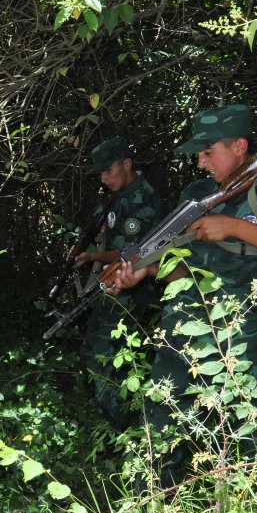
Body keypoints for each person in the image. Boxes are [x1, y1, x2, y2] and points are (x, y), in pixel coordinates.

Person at [111, 105, 257, 490]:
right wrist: (143, 272)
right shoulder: (196, 195)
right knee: (158, 433)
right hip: (183, 327)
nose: (200, 162)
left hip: (244, 333)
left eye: (208, 152)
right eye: (198, 153)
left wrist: (234, 226)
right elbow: (180, 270)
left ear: (240, 145)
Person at [75, 137, 166, 428]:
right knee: (90, 356)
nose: (103, 178)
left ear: (127, 164)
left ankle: (124, 434)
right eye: (99, 173)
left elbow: (130, 252)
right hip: (109, 290)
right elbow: (109, 230)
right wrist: (97, 237)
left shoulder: (144, 199)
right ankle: (107, 427)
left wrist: (91, 255)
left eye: (108, 170)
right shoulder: (119, 193)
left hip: (131, 293)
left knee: (108, 366)